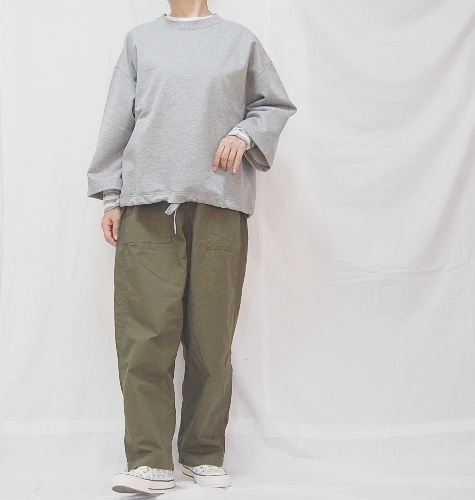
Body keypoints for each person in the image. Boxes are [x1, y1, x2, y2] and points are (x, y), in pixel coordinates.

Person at [86, 0, 297, 494]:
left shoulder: (239, 40)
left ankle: (203, 453)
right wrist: (112, 196)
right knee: (146, 336)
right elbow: (118, 119)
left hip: (220, 203)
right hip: (147, 203)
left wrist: (245, 133)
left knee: (210, 336)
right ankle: (149, 459)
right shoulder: (141, 41)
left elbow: (274, 104)